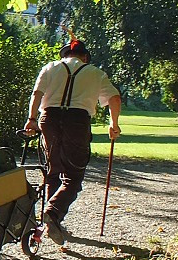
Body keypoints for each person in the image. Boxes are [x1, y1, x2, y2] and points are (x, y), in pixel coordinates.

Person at [23, 39, 121, 246]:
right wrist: (114, 124)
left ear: (64, 55)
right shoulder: (95, 72)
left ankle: (52, 220)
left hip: (49, 118)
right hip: (77, 121)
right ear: (84, 57)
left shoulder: (51, 67)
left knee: (53, 169)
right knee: (74, 175)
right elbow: (114, 98)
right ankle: (53, 213)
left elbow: (37, 94)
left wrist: (32, 120)